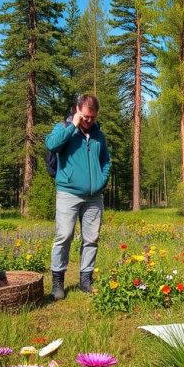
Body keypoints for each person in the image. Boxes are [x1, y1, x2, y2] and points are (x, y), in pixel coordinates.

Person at [45, 94, 111, 300]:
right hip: (68, 193)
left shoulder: (99, 136)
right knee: (64, 236)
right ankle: (58, 282)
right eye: (84, 116)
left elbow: (106, 160)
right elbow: (51, 145)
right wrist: (72, 127)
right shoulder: (63, 128)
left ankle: (86, 279)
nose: (88, 121)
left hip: (94, 197)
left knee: (91, 239)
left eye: (92, 117)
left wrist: (102, 180)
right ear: (77, 110)